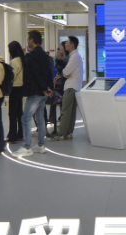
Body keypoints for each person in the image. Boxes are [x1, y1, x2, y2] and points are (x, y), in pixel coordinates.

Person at [13, 30, 54, 158]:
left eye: (28, 39)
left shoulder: (32, 56)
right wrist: (48, 88)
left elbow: (36, 74)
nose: (27, 41)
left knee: (26, 118)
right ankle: (41, 145)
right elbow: (48, 72)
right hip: (43, 93)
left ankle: (27, 147)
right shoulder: (44, 55)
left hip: (35, 92)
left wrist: (43, 88)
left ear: (32, 40)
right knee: (40, 118)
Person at [52, 36, 83, 141]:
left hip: (70, 87)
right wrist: (66, 73)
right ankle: (68, 132)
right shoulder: (75, 56)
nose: (65, 44)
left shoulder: (74, 57)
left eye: (67, 43)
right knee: (71, 112)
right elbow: (66, 73)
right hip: (74, 86)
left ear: (72, 45)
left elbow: (65, 72)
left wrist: (65, 73)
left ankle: (62, 133)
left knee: (65, 111)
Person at [6, 41, 25, 144]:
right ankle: (20, 133)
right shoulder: (22, 60)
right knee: (19, 112)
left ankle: (12, 136)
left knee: (12, 113)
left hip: (14, 88)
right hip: (21, 88)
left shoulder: (14, 61)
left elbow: (11, 76)